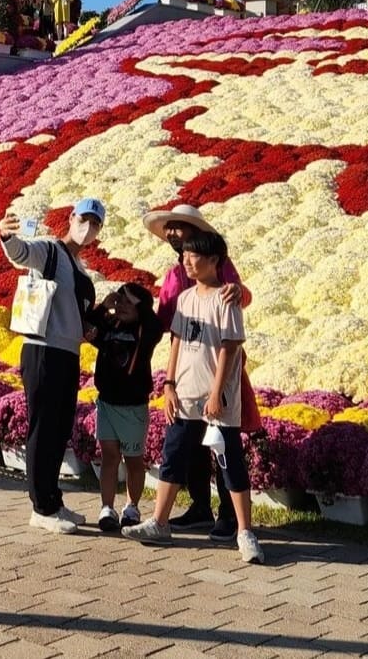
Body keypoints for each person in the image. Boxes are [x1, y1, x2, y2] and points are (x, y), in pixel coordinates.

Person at [123, 230, 265, 565]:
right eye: (184, 255)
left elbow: (230, 349)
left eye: (193, 255)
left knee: (229, 463)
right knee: (172, 457)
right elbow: (176, 341)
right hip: (184, 395)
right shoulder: (185, 299)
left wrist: (217, 394)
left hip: (217, 401)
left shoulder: (225, 299)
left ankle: (245, 532)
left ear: (215, 260)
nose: (186, 261)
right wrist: (169, 384)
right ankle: (159, 522)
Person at [142, 204, 252, 542]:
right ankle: (199, 508)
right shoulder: (178, 277)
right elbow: (169, 323)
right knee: (184, 446)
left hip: (217, 369)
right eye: (169, 230)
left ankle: (231, 520)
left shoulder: (218, 264)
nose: (173, 235)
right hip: (187, 373)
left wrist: (239, 291)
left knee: (222, 446)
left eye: (179, 228)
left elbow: (238, 298)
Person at [0, 198, 105, 534]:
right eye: (83, 219)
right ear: (71, 218)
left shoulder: (80, 266)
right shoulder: (51, 250)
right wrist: (5, 235)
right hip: (43, 350)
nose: (88, 227)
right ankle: (41, 507)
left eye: (95, 223)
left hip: (68, 353)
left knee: (58, 430)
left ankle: (53, 500)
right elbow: (20, 253)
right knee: (43, 429)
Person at [89, 282, 163, 532]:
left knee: (133, 460)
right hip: (107, 403)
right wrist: (104, 308)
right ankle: (106, 508)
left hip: (133, 407)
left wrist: (140, 303)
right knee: (109, 456)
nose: (121, 305)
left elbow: (156, 324)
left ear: (141, 308)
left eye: (128, 302)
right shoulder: (112, 326)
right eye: (119, 300)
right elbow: (90, 325)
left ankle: (132, 506)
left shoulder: (145, 331)